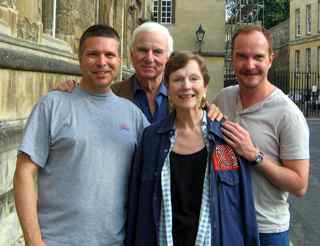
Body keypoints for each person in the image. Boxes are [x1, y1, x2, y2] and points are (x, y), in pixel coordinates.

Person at [13, 24, 148, 246]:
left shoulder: (132, 114)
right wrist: (34, 242)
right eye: (93, 54)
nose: (102, 62)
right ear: (80, 58)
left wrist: (204, 108)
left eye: (109, 55)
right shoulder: (53, 104)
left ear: (119, 60)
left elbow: (168, 149)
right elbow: (24, 173)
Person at [126, 51, 259, 246]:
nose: (186, 86)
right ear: (167, 88)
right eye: (178, 79)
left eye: (194, 78)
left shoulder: (227, 137)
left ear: (204, 87)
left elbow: (245, 204)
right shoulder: (151, 139)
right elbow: (136, 204)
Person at [213, 26, 310, 246]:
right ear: (232, 58)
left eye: (258, 57)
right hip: (226, 223)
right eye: (242, 56)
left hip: (266, 231)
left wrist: (253, 154)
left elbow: (300, 185)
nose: (250, 65)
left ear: (270, 59)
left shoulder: (288, 114)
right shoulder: (223, 99)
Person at [57, 21, 222, 122]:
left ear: (168, 58)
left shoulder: (184, 96)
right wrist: (70, 89)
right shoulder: (113, 93)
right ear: (131, 54)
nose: (149, 58)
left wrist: (212, 111)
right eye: (142, 50)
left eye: (157, 52)